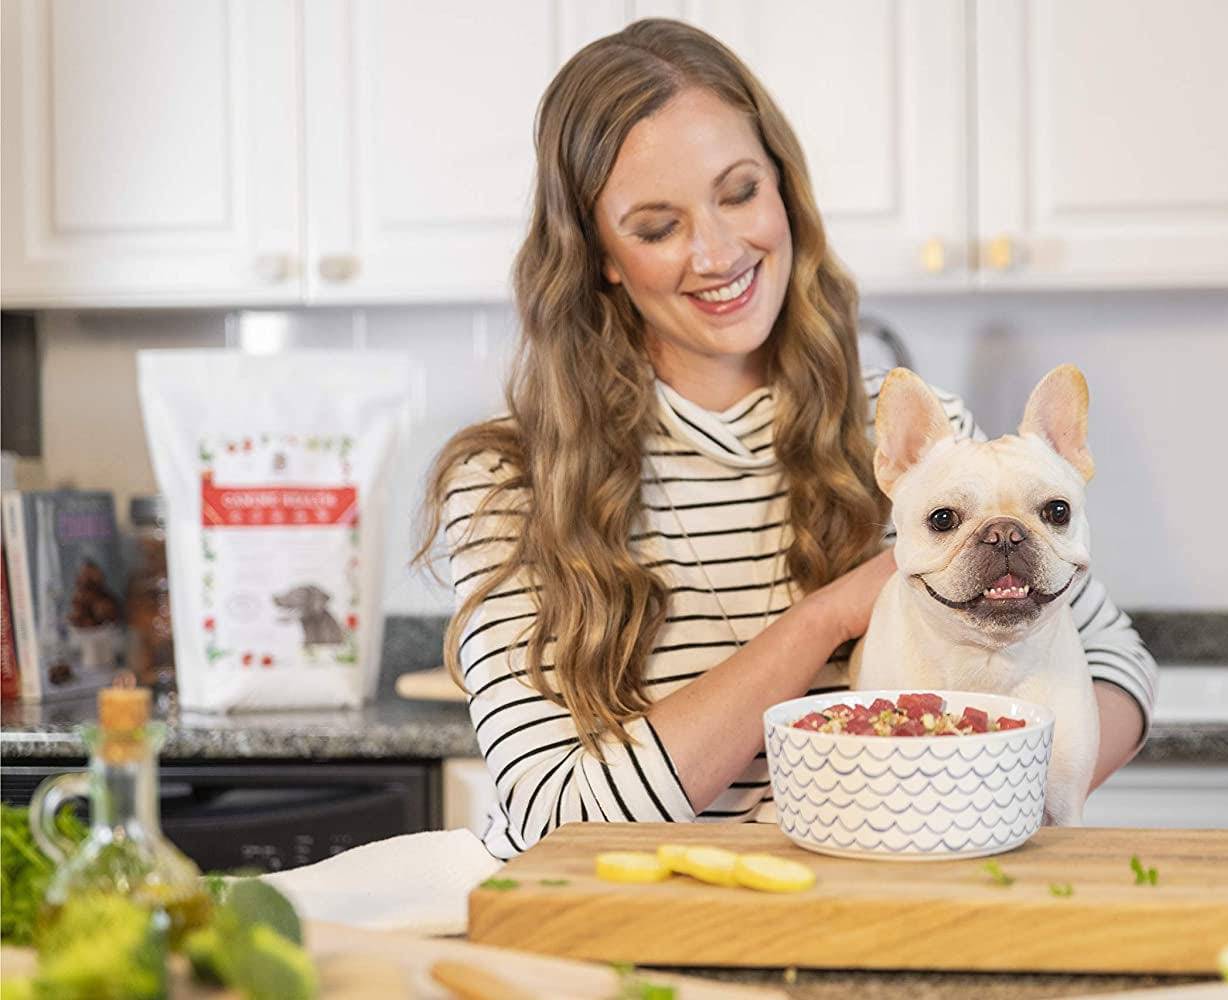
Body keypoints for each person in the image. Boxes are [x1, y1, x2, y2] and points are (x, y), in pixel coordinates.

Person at [419, 19, 1157, 861]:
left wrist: (981, 789)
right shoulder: (507, 483)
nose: (720, 250)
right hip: (613, 933)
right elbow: (559, 822)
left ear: (784, 190)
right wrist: (828, 618)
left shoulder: (912, 433)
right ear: (599, 257)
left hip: (860, 917)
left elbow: (1116, 666)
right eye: (658, 227)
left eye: (738, 192)